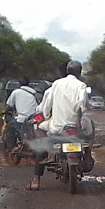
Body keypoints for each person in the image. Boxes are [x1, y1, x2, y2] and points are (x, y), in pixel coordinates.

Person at [26, 60, 88, 191]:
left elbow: (46, 106)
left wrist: (47, 116)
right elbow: (83, 105)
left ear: (67, 71)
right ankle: (87, 154)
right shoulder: (81, 85)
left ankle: (36, 180)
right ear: (80, 72)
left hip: (56, 127)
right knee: (88, 133)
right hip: (74, 128)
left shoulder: (57, 84)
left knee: (41, 133)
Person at [4, 78, 39, 152]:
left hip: (22, 118)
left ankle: (11, 146)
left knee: (10, 127)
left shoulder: (16, 92)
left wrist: (6, 111)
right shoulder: (34, 92)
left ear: (19, 84)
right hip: (33, 118)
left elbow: (9, 105)